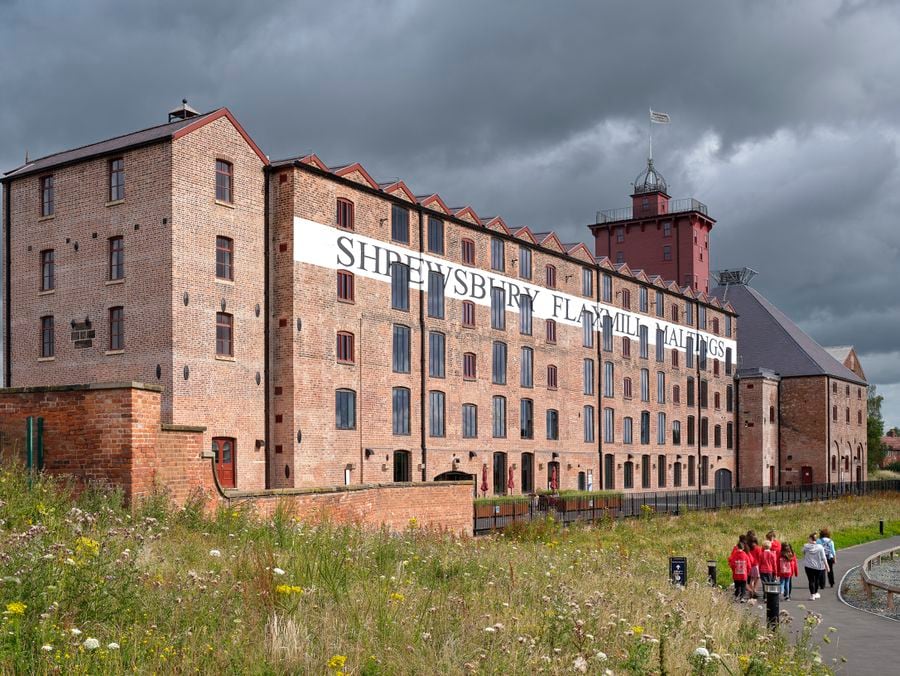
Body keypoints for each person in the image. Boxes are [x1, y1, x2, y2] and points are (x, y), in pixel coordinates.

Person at [802, 533, 829, 600]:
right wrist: (827, 566)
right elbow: (823, 557)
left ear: (811, 539)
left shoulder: (806, 546)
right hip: (818, 566)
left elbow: (803, 552)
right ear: (815, 539)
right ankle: (816, 592)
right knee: (816, 580)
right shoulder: (820, 547)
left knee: (811, 580)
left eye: (809, 538)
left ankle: (812, 595)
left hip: (808, 566)